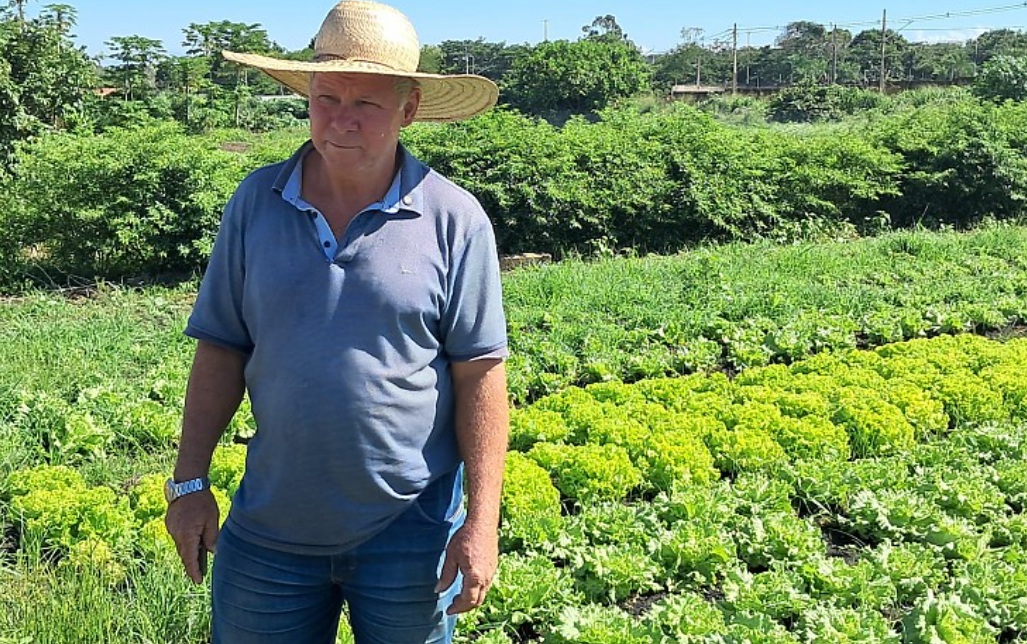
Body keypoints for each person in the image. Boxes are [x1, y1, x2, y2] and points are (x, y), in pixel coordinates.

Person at [163, 1, 510, 642]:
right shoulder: (256, 202)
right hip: (271, 529)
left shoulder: (454, 219)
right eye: (327, 98)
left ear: (408, 109)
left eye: (366, 104)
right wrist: (189, 483)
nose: (341, 120)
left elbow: (481, 374)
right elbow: (220, 349)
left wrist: (481, 523)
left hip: (411, 532)